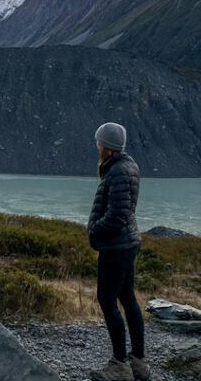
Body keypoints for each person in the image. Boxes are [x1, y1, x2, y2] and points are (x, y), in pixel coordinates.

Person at [87, 121, 148, 381]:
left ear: (107, 146)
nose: (97, 145)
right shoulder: (125, 166)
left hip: (116, 246)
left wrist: (94, 229)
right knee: (127, 298)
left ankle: (119, 365)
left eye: (99, 142)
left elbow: (117, 215)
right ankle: (137, 361)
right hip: (126, 243)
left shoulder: (118, 171)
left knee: (107, 300)